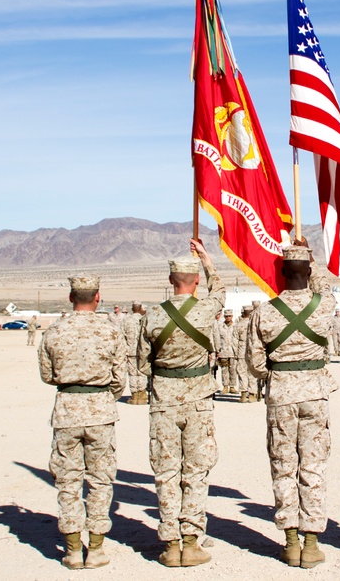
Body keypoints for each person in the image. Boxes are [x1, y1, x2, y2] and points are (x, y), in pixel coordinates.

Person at [246, 242, 337, 568]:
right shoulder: (324, 305)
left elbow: (255, 366)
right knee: (313, 467)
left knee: (283, 467)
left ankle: (290, 542)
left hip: (281, 397)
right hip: (315, 395)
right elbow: (325, 287)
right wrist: (311, 260)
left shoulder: (264, 312)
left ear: (281, 273)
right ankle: (311, 544)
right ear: (309, 272)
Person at [136, 239, 224, 567]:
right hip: (199, 401)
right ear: (195, 280)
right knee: (196, 470)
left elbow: (143, 364)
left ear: (171, 281)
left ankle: (170, 543)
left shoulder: (153, 315)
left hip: (163, 401)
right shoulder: (205, 310)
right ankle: (191, 540)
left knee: (166, 470)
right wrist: (206, 259)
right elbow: (221, 290)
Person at [39, 274, 127, 570]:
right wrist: (101, 392)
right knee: (101, 480)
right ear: (98, 297)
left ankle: (73, 550)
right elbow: (120, 379)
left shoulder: (54, 331)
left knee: (68, 481)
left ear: (70, 297)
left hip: (67, 410)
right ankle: (97, 549)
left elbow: (47, 375)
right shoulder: (111, 331)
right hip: (101, 410)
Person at [121, 302, 147, 404]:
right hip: (142, 350)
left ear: (132, 309)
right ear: (140, 308)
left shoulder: (126, 320)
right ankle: (142, 394)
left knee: (132, 374)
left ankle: (135, 395)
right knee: (142, 373)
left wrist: (126, 348)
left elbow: (122, 335)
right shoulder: (144, 319)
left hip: (130, 350)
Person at [233, 306, 255, 402]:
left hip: (242, 352)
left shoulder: (238, 325)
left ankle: (243, 395)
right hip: (253, 352)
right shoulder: (254, 324)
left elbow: (234, 341)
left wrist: (236, 353)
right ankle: (252, 395)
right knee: (252, 373)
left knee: (242, 373)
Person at [213, 310, 237, 395]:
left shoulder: (235, 326)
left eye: (229, 316)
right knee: (224, 370)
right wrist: (217, 350)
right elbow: (217, 338)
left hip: (233, 352)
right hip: (223, 351)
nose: (228, 318)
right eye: (226, 316)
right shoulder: (220, 326)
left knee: (233, 370)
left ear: (232, 316)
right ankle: (225, 386)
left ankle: (232, 386)